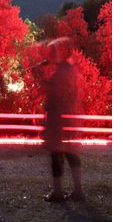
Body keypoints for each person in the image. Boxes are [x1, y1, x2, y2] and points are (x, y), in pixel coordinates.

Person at [35, 38, 86, 202]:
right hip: (69, 117)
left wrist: (41, 76)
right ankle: (78, 191)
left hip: (59, 119)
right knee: (71, 153)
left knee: (57, 154)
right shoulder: (69, 70)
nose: (50, 55)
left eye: (53, 52)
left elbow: (52, 92)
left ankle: (58, 193)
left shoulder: (62, 72)